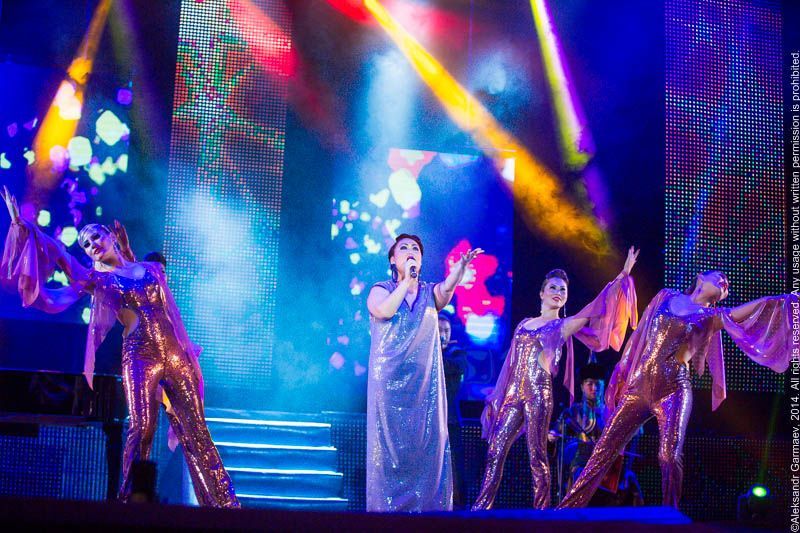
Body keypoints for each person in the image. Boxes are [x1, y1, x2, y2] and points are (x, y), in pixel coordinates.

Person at [0, 187, 239, 507]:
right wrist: (24, 227)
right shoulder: (99, 280)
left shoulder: (150, 269)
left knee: (196, 430)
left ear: (111, 237)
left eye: (96, 237)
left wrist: (127, 252)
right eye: (86, 245)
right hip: (140, 356)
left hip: (175, 354)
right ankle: (131, 503)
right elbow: (61, 255)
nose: (92, 245)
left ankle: (224, 505)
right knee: (142, 428)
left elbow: (164, 304)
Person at [558, 271, 795, 509]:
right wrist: (624, 370)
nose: (725, 282)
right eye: (719, 277)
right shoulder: (666, 296)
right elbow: (639, 336)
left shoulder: (711, 316)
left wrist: (782, 300)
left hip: (673, 390)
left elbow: (738, 313)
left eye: (726, 286)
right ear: (700, 278)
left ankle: (669, 514)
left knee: (668, 456)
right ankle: (566, 509)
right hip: (639, 387)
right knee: (604, 448)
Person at [472, 247, 639, 510]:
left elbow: (597, 306)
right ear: (542, 293)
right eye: (553, 287)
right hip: (513, 394)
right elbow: (509, 365)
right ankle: (480, 509)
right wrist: (498, 395)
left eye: (563, 289)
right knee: (495, 449)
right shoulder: (523, 324)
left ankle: (542, 513)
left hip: (538, 395)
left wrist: (622, 275)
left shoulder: (563, 325)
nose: (558, 292)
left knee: (537, 455)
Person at [365, 233, 482, 512]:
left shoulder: (430, 293)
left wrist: (460, 268)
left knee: (428, 447)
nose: (410, 251)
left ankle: (429, 516)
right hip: (389, 384)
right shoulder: (380, 289)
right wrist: (406, 281)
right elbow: (384, 311)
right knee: (389, 451)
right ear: (393, 259)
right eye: (404, 248)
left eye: (415, 249)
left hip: (424, 385)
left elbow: (447, 288)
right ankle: (385, 516)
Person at [438, 313, 468, 509]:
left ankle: (458, 508)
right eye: (439, 330)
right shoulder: (425, 353)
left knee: (454, 465)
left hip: (450, 420)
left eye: (446, 331)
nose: (443, 334)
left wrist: (435, 350)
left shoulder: (457, 354)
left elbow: (454, 367)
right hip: (430, 418)